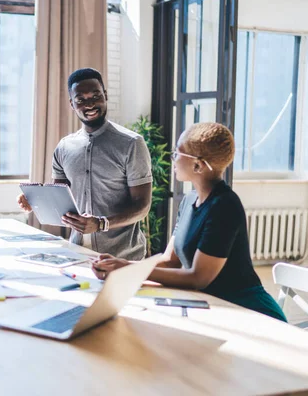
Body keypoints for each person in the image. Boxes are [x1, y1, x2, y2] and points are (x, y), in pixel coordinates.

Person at [92, 122, 287, 322]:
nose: (173, 159)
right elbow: (171, 260)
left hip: (248, 311)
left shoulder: (225, 205)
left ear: (198, 165)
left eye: (177, 153)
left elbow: (198, 278)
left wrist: (127, 268)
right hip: (210, 305)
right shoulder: (188, 201)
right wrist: (121, 268)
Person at [17, 68, 152, 260]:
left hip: (123, 257)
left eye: (95, 96)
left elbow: (143, 206)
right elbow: (61, 200)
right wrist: (35, 200)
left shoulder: (131, 143)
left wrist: (101, 224)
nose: (89, 104)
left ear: (105, 95)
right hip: (77, 254)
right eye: (81, 99)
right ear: (72, 104)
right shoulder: (64, 148)